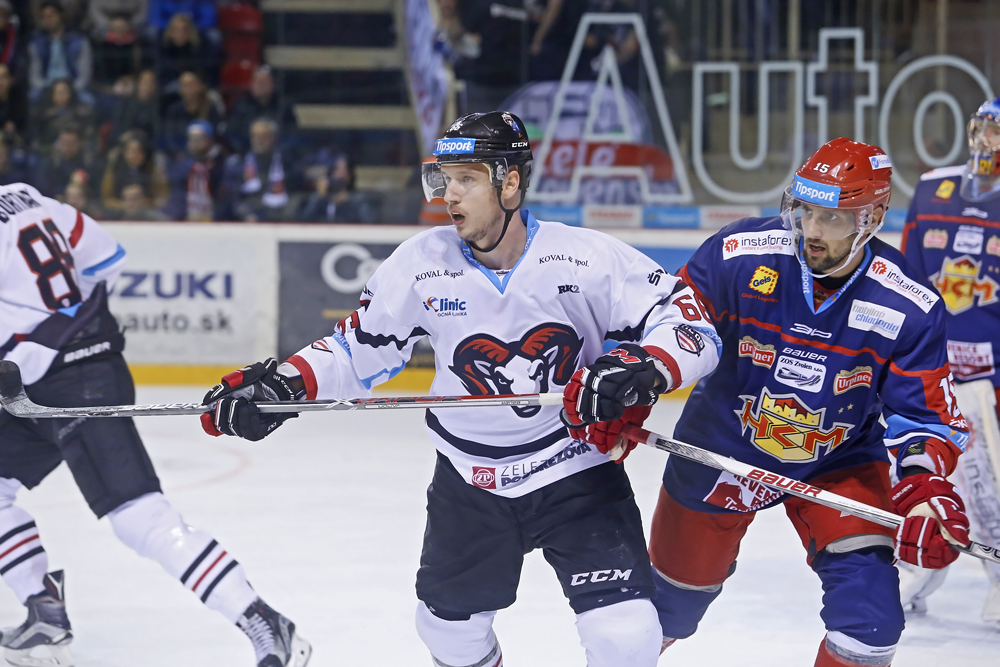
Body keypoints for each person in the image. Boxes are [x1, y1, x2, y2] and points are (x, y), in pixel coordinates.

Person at [201, 110, 722, 667]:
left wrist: (646, 366)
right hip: (471, 481)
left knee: (627, 635)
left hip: (575, 471)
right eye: (445, 179)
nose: (449, 195)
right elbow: (357, 349)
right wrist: (284, 385)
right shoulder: (421, 263)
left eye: (467, 179)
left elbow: (692, 326)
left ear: (510, 182)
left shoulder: (585, 257)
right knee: (447, 634)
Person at [628, 138, 971, 666]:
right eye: (805, 210)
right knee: (670, 609)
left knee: (871, 622)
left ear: (873, 218)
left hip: (836, 463)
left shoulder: (907, 304)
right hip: (720, 449)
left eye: (832, 218)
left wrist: (924, 486)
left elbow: (923, 415)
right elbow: (675, 329)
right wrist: (636, 383)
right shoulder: (737, 254)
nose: (811, 230)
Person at [0, 182, 311, 667]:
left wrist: (42, 339)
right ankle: (44, 613)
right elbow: (107, 259)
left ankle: (264, 621)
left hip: (71, 382)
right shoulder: (25, 196)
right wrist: (64, 324)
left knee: (138, 516)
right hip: (47, 379)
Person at [899, 96, 1000, 623]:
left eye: (998, 132)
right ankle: (911, 573)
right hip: (931, 372)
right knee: (919, 478)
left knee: (989, 490)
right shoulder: (932, 188)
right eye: (984, 127)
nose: (987, 140)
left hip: (992, 379)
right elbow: (909, 282)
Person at [220, 117, 295, 222]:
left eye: (264, 136)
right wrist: (245, 213)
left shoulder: (287, 161)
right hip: (249, 212)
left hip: (280, 212)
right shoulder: (240, 162)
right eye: (255, 136)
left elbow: (294, 188)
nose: (259, 140)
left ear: (273, 138)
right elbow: (232, 195)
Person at [225, 65, 296, 155]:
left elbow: (291, 132)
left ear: (273, 84)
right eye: (258, 82)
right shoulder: (241, 106)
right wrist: (245, 149)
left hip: (278, 154)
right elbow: (232, 132)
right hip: (246, 153)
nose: (261, 85)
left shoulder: (282, 106)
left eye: (265, 82)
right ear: (251, 84)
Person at [27, 1, 92, 98]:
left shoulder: (79, 41)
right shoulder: (36, 44)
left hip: (73, 87)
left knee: (88, 100)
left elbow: (84, 74)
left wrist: (71, 89)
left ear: (61, 15)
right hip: (45, 87)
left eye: (51, 15)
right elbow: (34, 76)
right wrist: (47, 89)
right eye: (44, 17)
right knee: (31, 98)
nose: (48, 20)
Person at [165, 119, 223, 221]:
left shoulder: (221, 163)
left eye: (199, 139)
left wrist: (214, 216)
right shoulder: (180, 165)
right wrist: (182, 215)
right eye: (192, 139)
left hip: (213, 217)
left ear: (209, 140)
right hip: (187, 216)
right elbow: (177, 194)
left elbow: (223, 194)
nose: (195, 142)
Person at [100, 129, 168, 212]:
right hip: (119, 212)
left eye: (139, 152)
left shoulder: (153, 170)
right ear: (125, 153)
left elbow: (162, 197)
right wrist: (124, 204)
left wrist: (144, 202)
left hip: (147, 211)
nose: (135, 156)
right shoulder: (114, 170)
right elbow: (106, 197)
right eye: (132, 152)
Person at [160, 69, 223, 156]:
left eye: (190, 85)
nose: (187, 89)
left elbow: (216, 136)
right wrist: (180, 153)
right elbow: (170, 137)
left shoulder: (210, 108)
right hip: (180, 155)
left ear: (200, 86)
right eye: (183, 85)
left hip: (206, 155)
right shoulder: (174, 109)